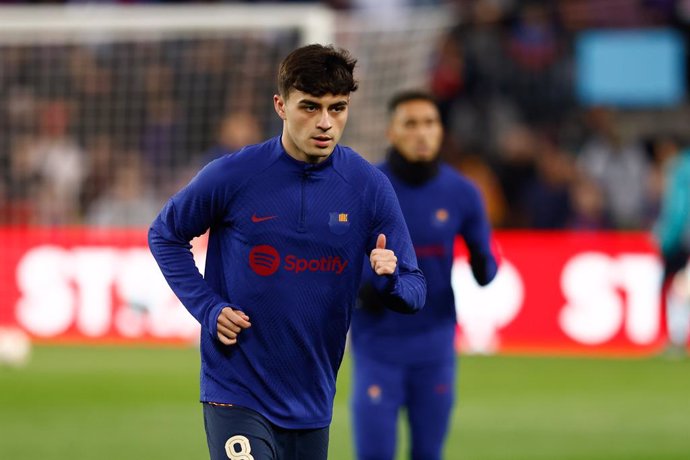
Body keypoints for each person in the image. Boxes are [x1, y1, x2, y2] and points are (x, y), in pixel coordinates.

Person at [148, 44, 426, 460]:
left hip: (312, 401)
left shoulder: (367, 186)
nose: (325, 123)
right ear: (281, 105)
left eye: (338, 108)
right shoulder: (234, 174)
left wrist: (391, 281)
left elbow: (415, 288)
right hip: (237, 390)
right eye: (310, 107)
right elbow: (165, 234)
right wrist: (208, 307)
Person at [350, 90, 498, 460]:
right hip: (377, 345)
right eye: (411, 123)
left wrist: (483, 262)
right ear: (391, 132)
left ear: (441, 131)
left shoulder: (462, 192)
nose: (422, 133)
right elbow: (337, 260)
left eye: (430, 123)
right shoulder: (364, 187)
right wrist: (362, 288)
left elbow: (487, 271)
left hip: (434, 345)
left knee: (428, 454)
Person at [653, 141, 690, 357]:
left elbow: (678, 209)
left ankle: (676, 341)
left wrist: (665, 238)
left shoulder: (680, 169)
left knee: (680, 289)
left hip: (684, 240)